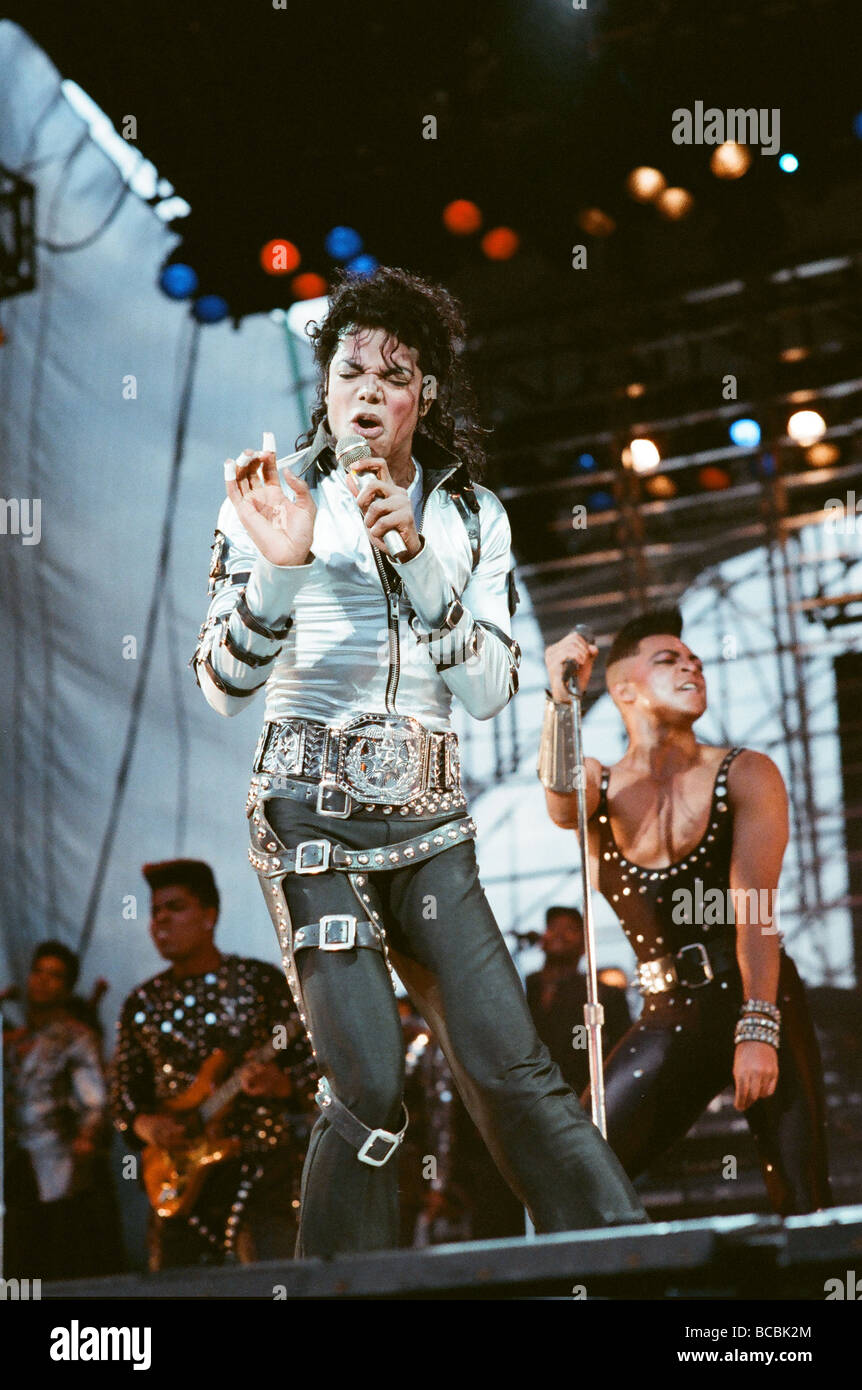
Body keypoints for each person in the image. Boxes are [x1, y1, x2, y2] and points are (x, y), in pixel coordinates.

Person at [191, 265, 646, 1257]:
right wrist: (281, 568)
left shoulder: (472, 516)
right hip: (308, 812)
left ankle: (624, 1273)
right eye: (349, 366)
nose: (365, 387)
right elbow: (220, 683)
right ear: (324, 384)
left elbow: (490, 691)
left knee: (512, 1068)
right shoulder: (270, 497)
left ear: (423, 395)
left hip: (431, 822)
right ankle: (332, 1292)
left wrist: (422, 567)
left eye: (392, 373)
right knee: (369, 1085)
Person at [539, 608, 832, 1214]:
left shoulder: (746, 772)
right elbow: (562, 806)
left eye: (693, 658)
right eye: (668, 660)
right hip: (669, 1010)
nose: (691, 665)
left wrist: (757, 1028)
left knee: (802, 1198)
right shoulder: (597, 786)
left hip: (757, 991)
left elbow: (757, 908)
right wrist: (562, 695)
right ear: (624, 689)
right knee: (581, 1176)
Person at [110, 859, 314, 1269]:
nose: (162, 919)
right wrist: (147, 1125)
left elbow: (315, 1067)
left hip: (261, 1174)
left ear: (209, 916)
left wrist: (283, 1084)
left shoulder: (259, 981)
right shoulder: (142, 1003)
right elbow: (125, 1096)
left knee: (272, 1280)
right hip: (179, 1181)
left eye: (176, 907)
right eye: (155, 911)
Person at [4, 941, 123, 1279]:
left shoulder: (76, 1037)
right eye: (38, 972)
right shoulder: (16, 1040)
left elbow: (95, 1102)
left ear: (67, 986)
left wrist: (84, 1147)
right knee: (21, 1263)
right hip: (18, 1165)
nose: (42, 981)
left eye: (54, 975)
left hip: (62, 1166)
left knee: (65, 1259)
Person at [525, 905, 631, 1094]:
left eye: (570, 929)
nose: (559, 934)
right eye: (553, 927)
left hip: (580, 1098)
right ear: (543, 940)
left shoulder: (602, 995)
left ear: (584, 947)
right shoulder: (525, 990)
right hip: (530, 1099)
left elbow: (624, 1052)